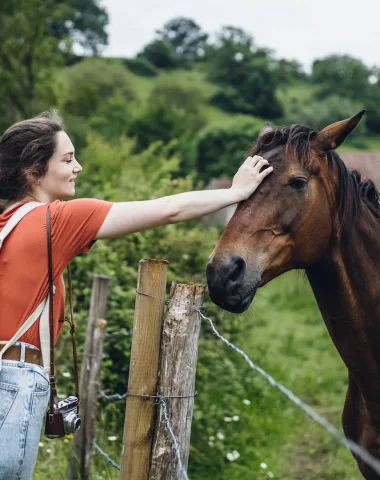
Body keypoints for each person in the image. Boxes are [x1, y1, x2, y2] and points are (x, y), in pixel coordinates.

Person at [0, 110, 273, 479]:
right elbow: (169, 210)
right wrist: (235, 193)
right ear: (32, 173)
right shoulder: (56, 221)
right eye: (67, 159)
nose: (78, 167)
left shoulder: (6, 223)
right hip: (14, 381)